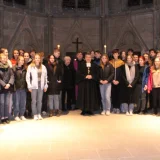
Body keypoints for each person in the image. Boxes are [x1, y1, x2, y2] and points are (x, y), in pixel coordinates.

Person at [26, 54, 48, 120]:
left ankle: (39, 113)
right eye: (36, 58)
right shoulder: (30, 66)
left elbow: (45, 77)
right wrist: (29, 86)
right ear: (34, 59)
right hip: (33, 85)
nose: (37, 59)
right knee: (34, 101)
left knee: (39, 101)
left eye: (38, 58)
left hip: (41, 85)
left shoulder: (43, 67)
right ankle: (34, 114)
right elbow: (27, 77)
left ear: (40, 59)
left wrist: (45, 85)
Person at [0, 54, 14, 124]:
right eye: (3, 58)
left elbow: (12, 76)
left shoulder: (9, 67)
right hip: (1, 88)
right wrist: (4, 84)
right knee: (2, 103)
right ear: (0, 59)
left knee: (7, 104)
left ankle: (6, 117)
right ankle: (2, 118)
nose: (4, 59)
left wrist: (9, 84)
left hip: (8, 87)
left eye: (5, 58)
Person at [110, 49, 124, 113]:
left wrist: (118, 81)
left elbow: (122, 74)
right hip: (112, 81)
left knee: (118, 94)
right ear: (112, 55)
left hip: (119, 81)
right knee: (113, 95)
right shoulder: (110, 62)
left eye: (116, 54)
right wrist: (112, 80)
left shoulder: (121, 62)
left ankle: (118, 108)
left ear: (118, 54)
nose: (115, 55)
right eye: (114, 54)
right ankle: (114, 108)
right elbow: (109, 73)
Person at [13, 56, 27, 121]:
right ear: (18, 60)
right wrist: (14, 87)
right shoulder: (14, 68)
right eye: (21, 60)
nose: (22, 61)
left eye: (23, 60)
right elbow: (13, 79)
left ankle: (22, 115)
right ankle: (16, 115)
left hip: (23, 88)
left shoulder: (25, 69)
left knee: (23, 102)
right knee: (16, 102)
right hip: (17, 88)